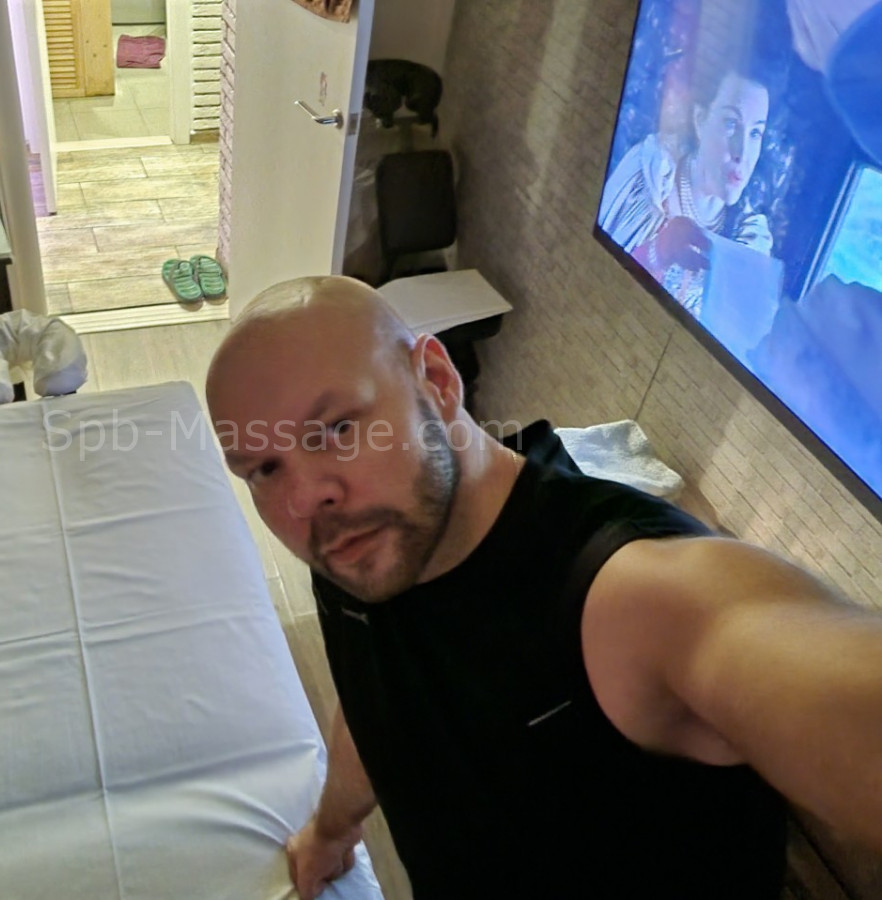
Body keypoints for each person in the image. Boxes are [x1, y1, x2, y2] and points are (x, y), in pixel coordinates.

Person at [204, 275, 882, 898]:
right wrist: (332, 829)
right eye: (264, 468)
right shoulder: (363, 540)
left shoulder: (630, 593)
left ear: (436, 380)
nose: (304, 499)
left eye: (337, 429)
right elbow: (378, 700)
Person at [599, 59, 779, 317]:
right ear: (700, 120)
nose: (742, 152)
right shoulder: (648, 176)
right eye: (731, 124)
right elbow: (596, 276)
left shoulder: (751, 241)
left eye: (755, 134)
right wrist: (656, 252)